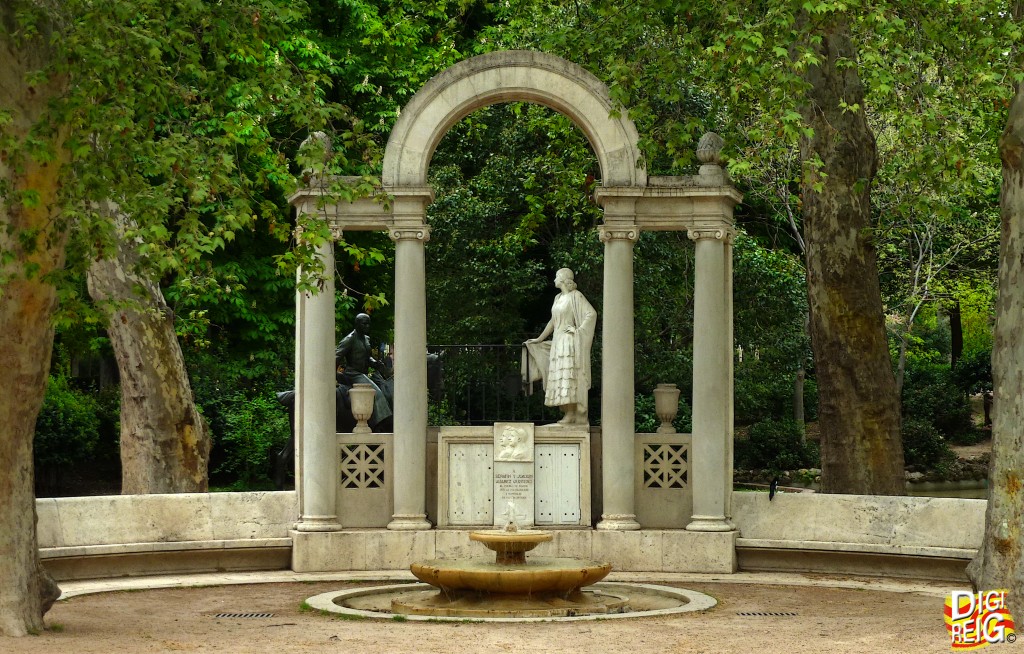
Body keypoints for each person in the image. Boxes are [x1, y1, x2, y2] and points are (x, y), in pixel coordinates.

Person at [523, 268, 596, 426]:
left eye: (556, 276)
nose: (554, 279)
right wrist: (539, 339)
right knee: (560, 378)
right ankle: (568, 413)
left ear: (563, 279)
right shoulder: (557, 298)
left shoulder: (576, 296)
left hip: (569, 342)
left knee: (569, 378)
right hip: (558, 342)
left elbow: (591, 314)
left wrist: (578, 330)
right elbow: (552, 322)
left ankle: (573, 414)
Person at [335, 313, 392, 427]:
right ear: (357, 324)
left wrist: (375, 363)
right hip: (353, 374)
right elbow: (336, 356)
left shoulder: (366, 339)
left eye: (368, 324)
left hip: (363, 374)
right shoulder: (349, 339)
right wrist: (335, 376)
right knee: (377, 393)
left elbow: (367, 356)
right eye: (364, 324)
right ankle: (380, 423)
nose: (367, 326)